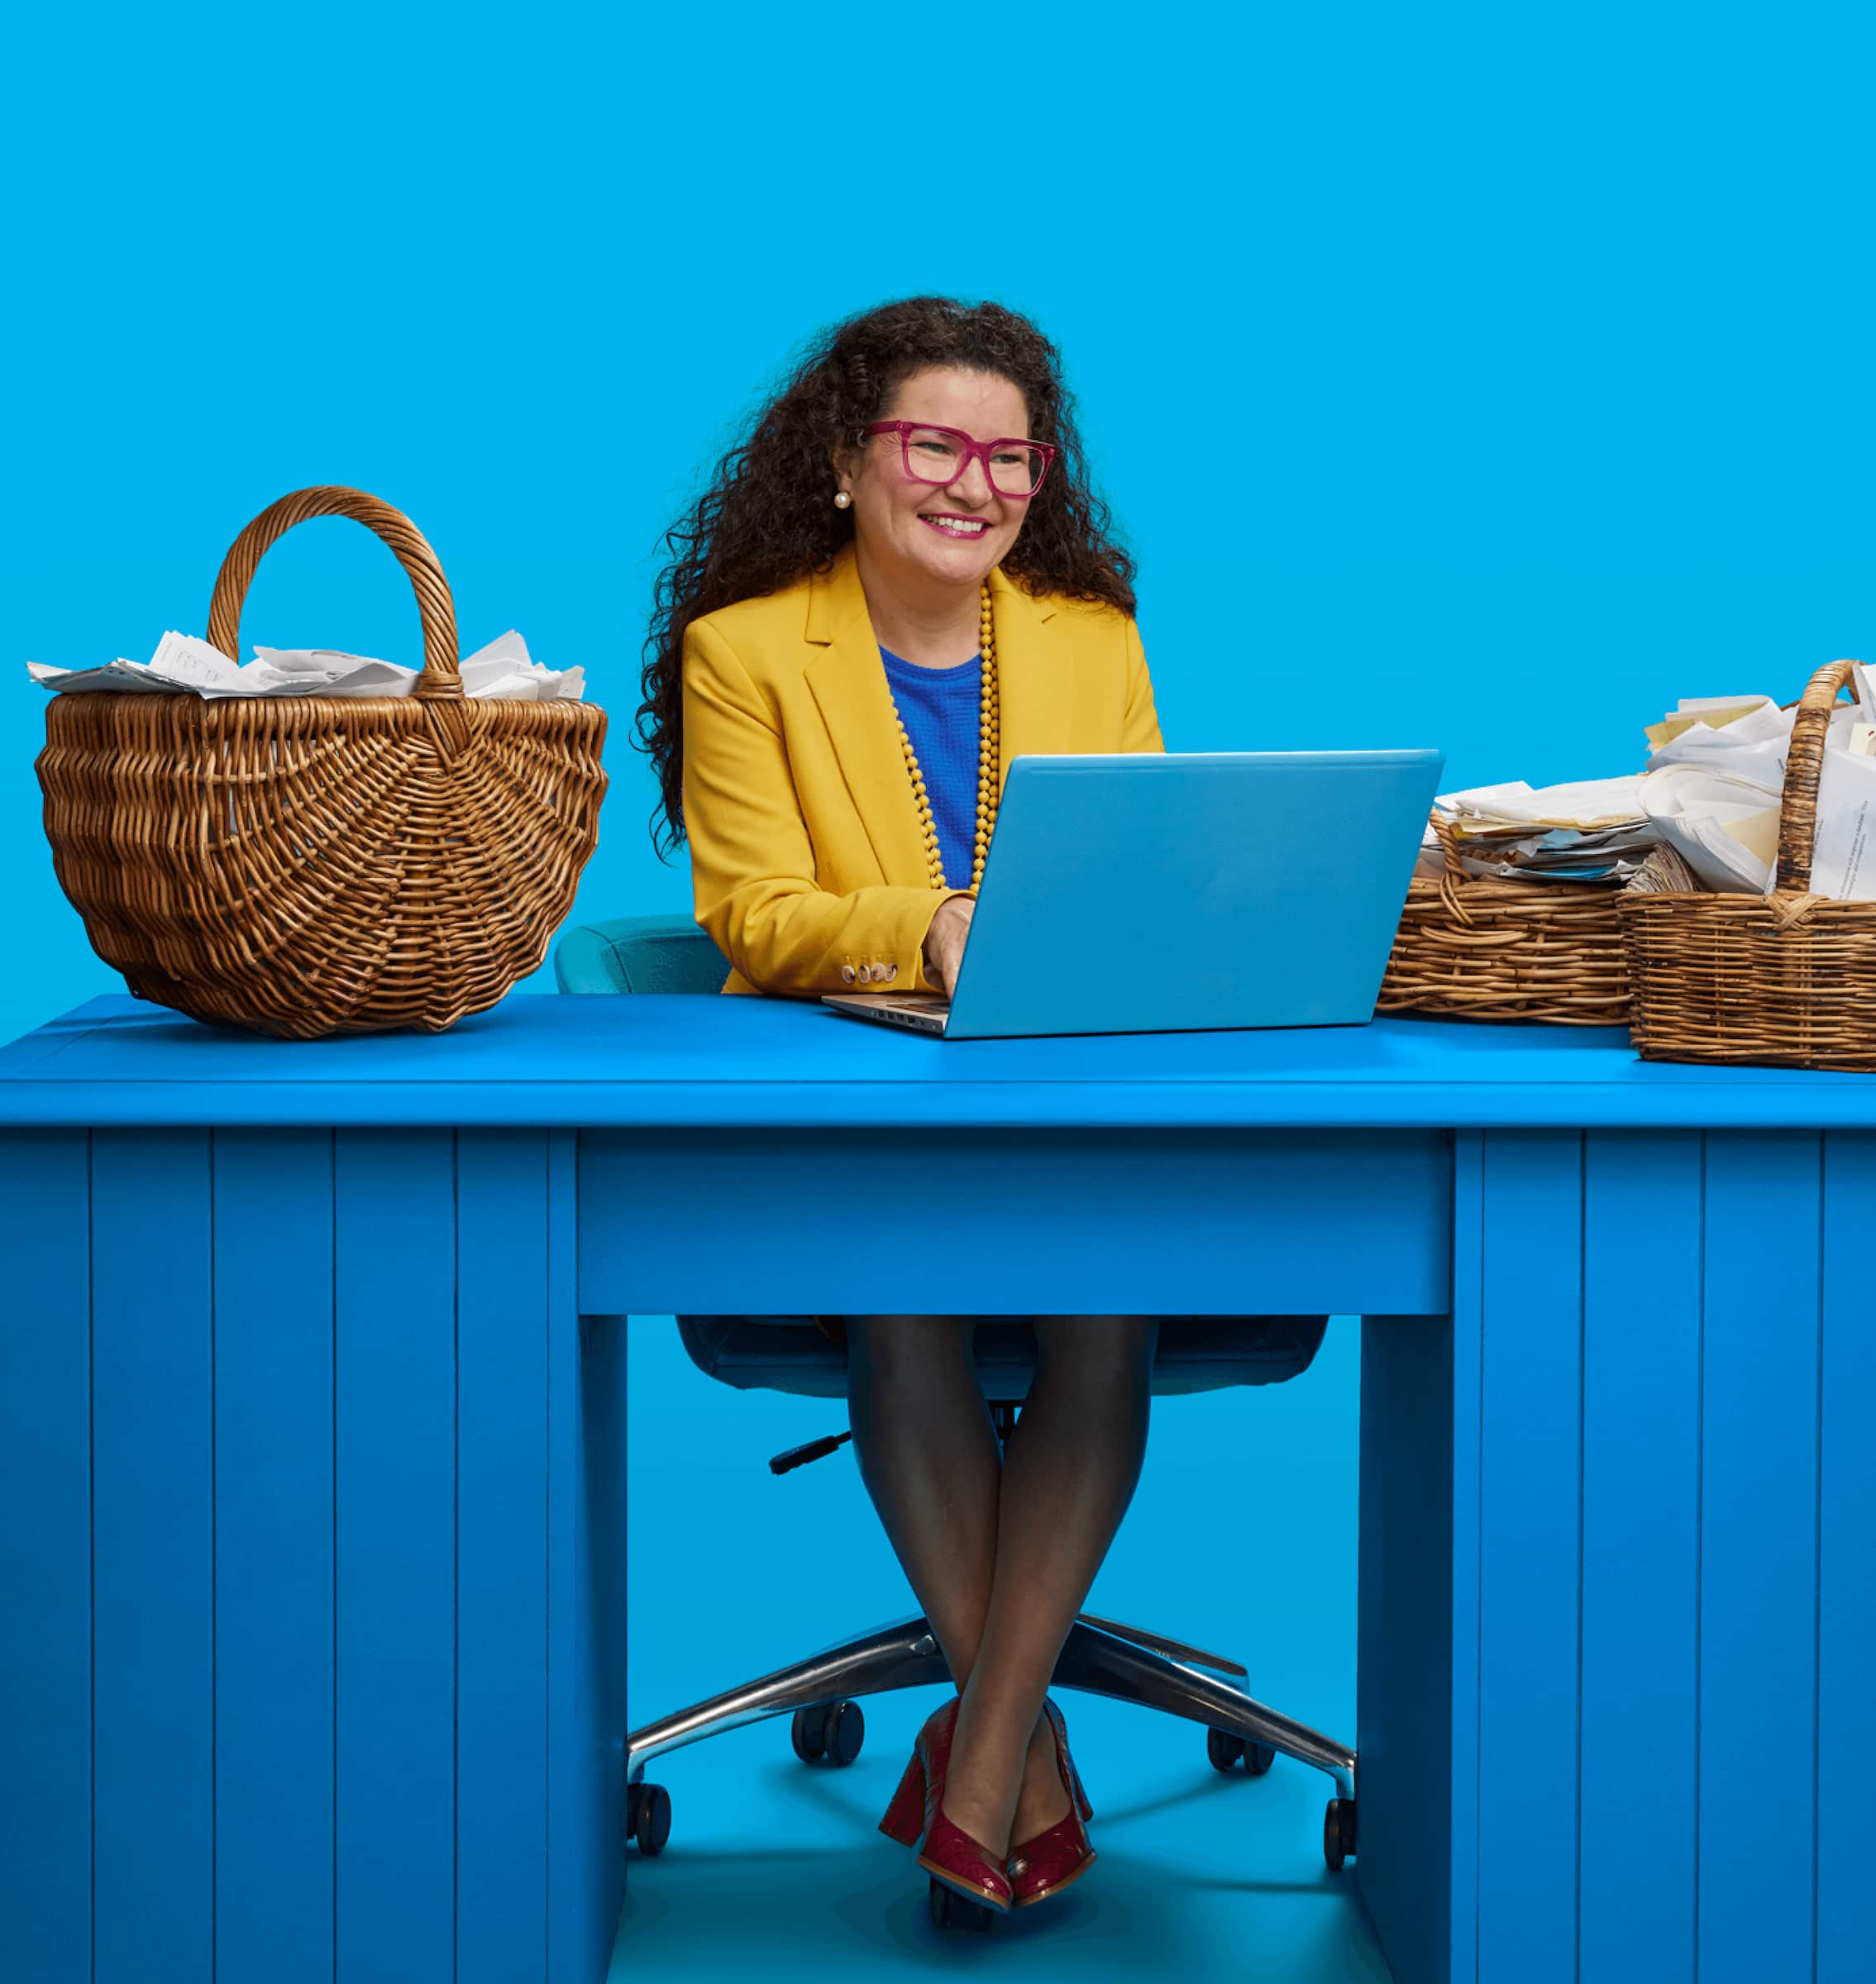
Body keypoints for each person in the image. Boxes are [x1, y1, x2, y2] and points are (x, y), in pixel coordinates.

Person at [636, 296, 1162, 1920]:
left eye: (1009, 454)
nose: (973, 481)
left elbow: (1143, 875)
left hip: (1073, 1101)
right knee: (904, 1300)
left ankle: (988, 1752)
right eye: (935, 442)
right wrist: (923, 925)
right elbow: (754, 909)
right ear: (849, 462)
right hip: (851, 1117)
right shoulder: (746, 650)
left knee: (1106, 1317)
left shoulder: (1091, 637)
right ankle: (1022, 1759)